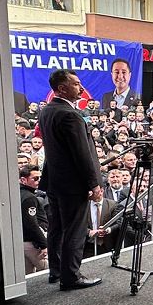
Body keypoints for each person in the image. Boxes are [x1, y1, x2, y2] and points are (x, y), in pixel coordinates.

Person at [38, 70, 102, 290]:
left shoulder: (47, 111)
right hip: (73, 185)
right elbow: (82, 154)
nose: (81, 88)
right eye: (76, 84)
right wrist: (93, 183)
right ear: (62, 88)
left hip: (55, 181)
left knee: (56, 228)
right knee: (75, 230)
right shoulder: (70, 115)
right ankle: (71, 277)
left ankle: (56, 271)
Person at [19, 164, 48, 274]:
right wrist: (44, 244)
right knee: (50, 271)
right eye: (35, 178)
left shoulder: (18, 193)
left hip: (23, 241)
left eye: (40, 178)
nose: (39, 181)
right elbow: (31, 224)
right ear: (23, 180)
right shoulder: (29, 198)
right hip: (31, 243)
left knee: (28, 275)